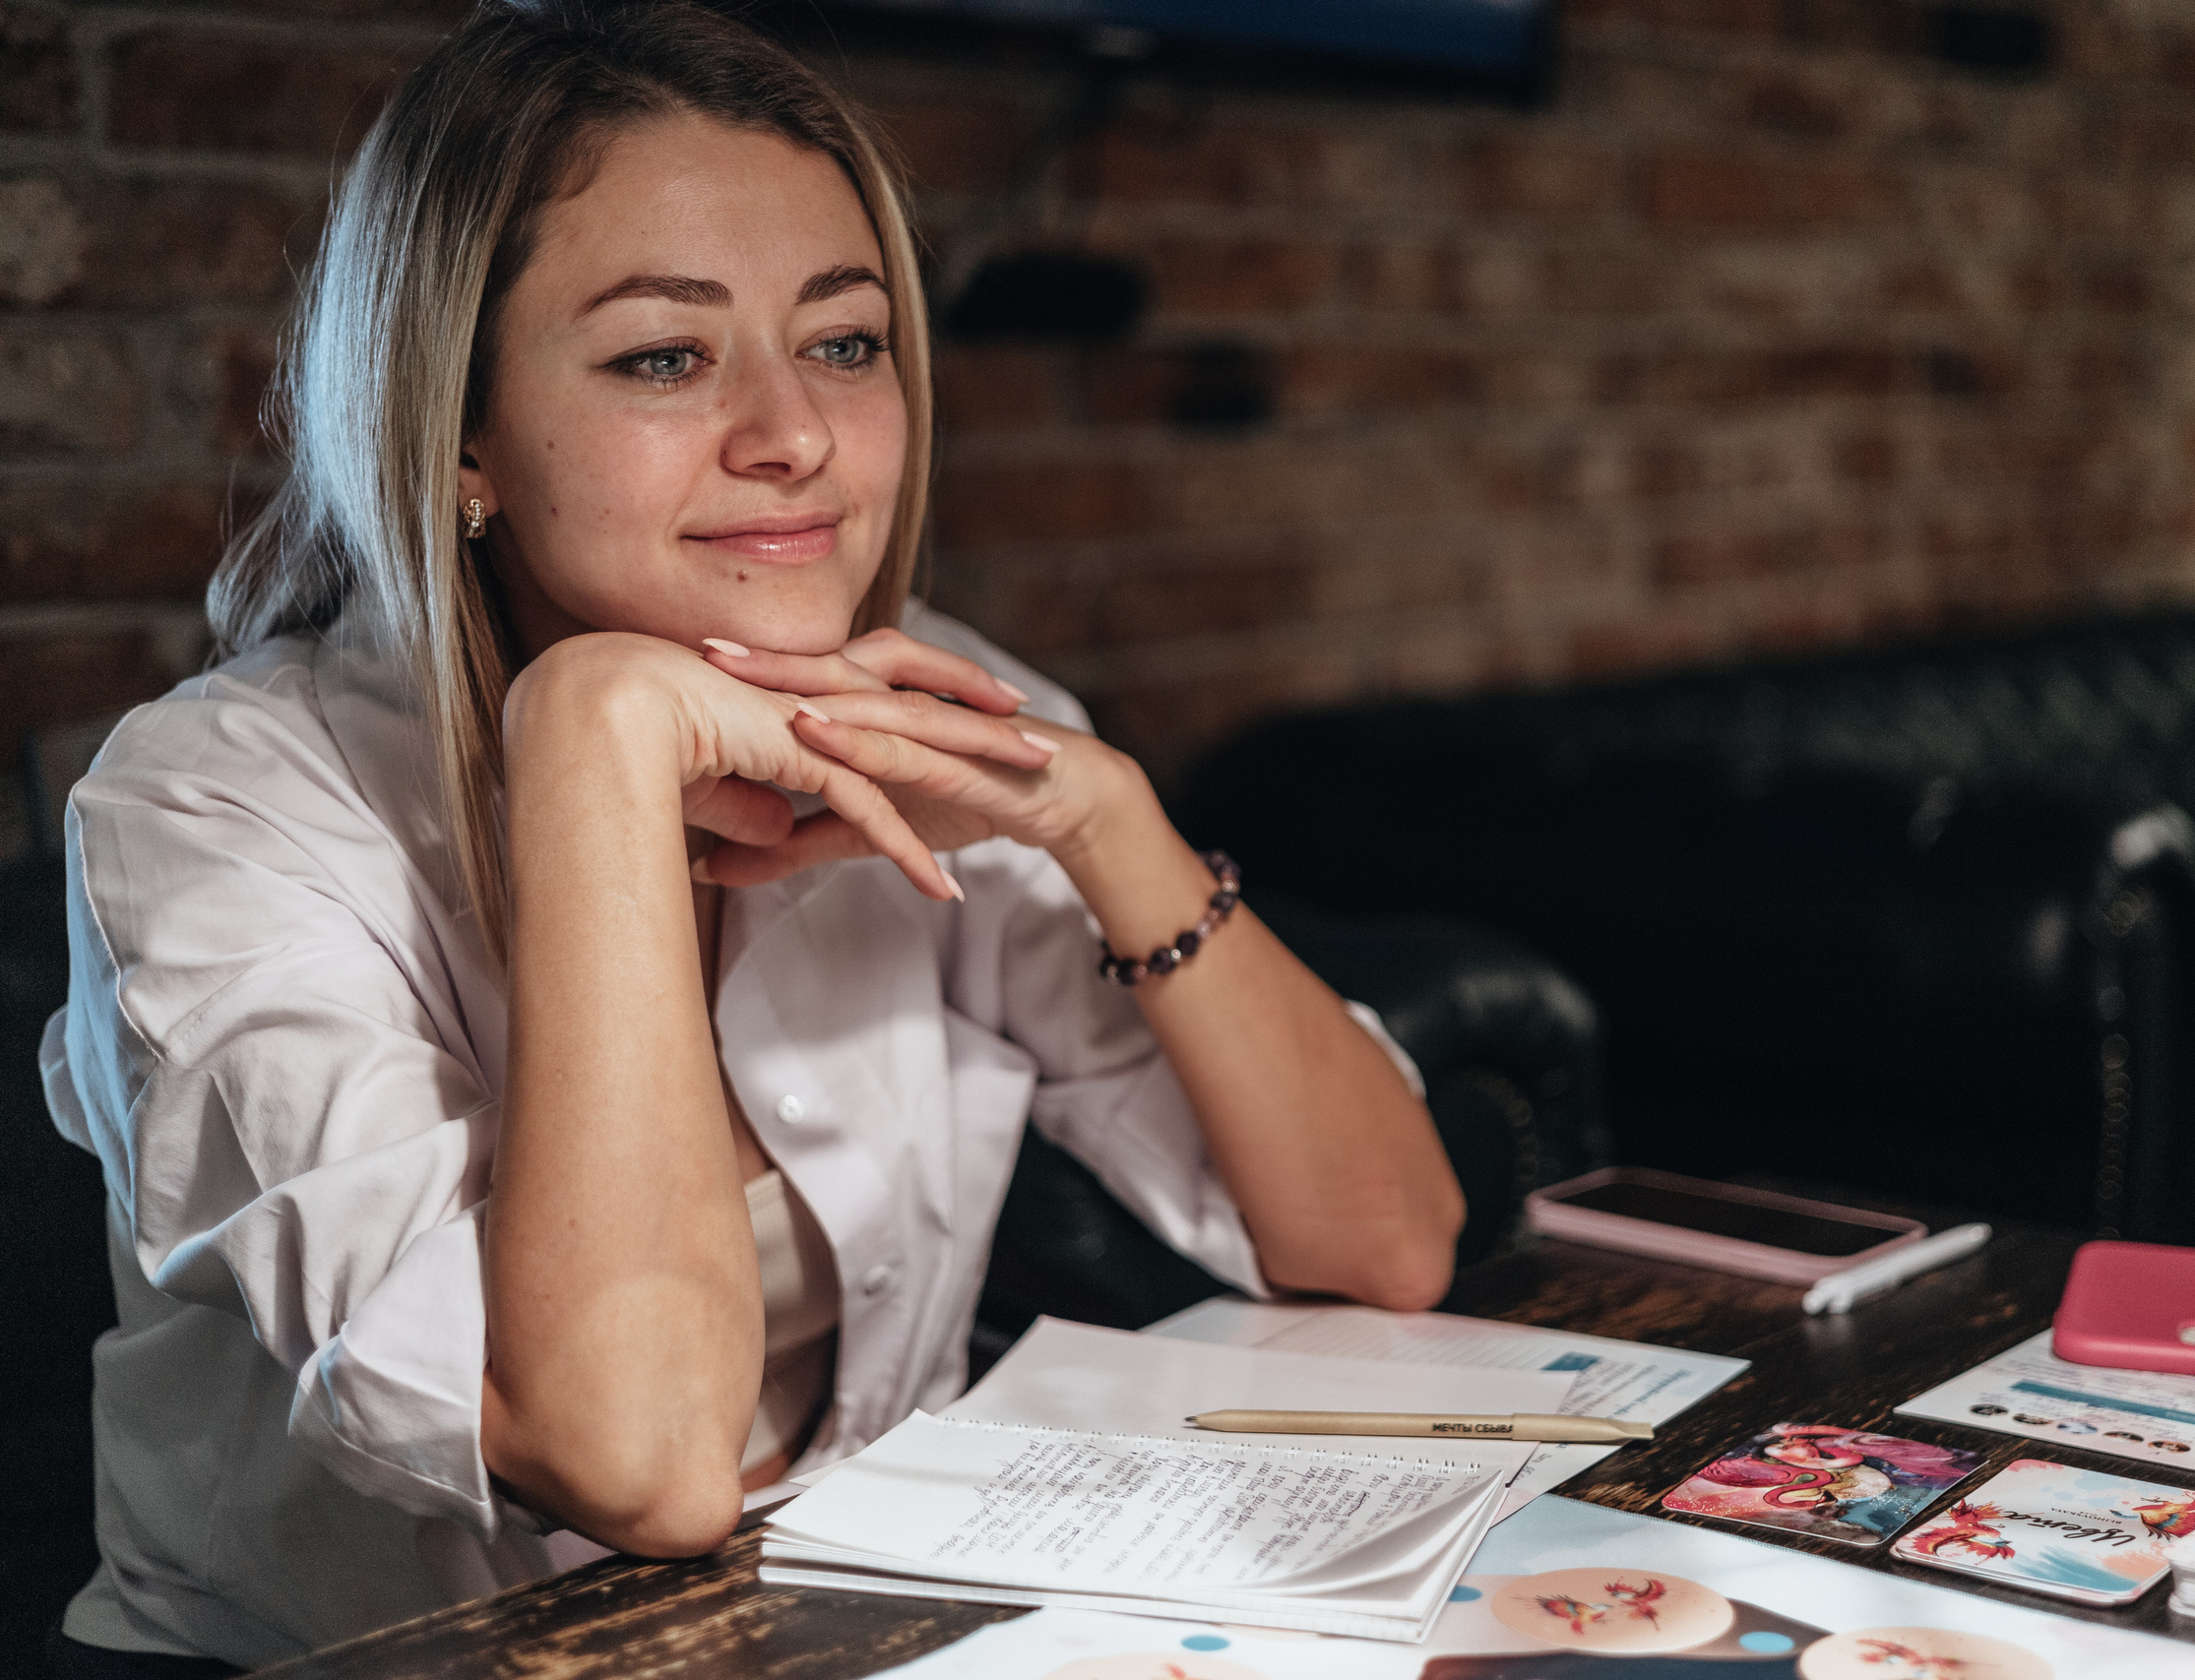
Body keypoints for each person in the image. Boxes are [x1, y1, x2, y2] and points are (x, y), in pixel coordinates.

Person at [37, 3, 1466, 1671]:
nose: (793, 432)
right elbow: (635, 1461)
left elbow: (1384, 1237)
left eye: (846, 343)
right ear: (463, 437)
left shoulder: (943, 705)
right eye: (664, 354)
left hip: (853, 1625)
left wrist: (1102, 810)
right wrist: (592, 741)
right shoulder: (206, 812)